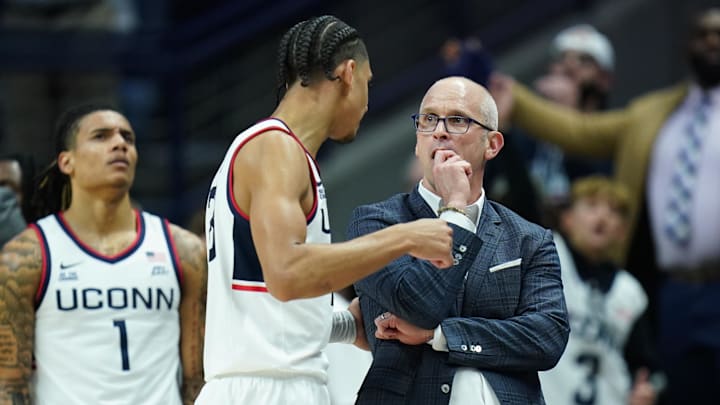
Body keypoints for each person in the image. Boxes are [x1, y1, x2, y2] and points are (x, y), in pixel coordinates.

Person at [196, 15, 455, 405]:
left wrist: (345, 326)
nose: (367, 103)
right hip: (268, 391)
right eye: (368, 83)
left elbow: (265, 299)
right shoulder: (275, 149)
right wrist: (406, 237)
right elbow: (287, 273)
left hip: (261, 385)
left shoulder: (277, 152)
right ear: (348, 73)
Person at [490, 7, 720, 404]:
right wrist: (517, 102)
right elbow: (578, 131)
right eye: (703, 33)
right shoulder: (653, 113)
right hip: (670, 288)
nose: (712, 41)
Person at [348, 76, 570, 404]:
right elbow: (417, 304)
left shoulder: (530, 239)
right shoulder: (375, 223)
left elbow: (547, 336)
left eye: (457, 120)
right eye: (428, 120)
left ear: (492, 145)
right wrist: (455, 209)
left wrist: (441, 335)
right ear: (417, 141)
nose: (439, 130)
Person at [0, 104, 207, 404]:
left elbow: (196, 379)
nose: (120, 143)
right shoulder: (24, 257)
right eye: (101, 136)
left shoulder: (184, 250)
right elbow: (10, 387)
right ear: (66, 162)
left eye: (128, 138)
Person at [539, 176, 662, 405]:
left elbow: (644, 367)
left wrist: (645, 390)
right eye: (592, 206)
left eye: (614, 211)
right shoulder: (545, 255)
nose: (602, 217)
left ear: (623, 232)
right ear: (567, 219)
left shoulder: (630, 292)